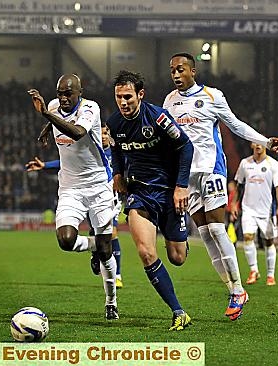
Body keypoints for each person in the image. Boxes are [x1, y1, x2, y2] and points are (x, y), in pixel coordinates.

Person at [163, 52, 278, 320]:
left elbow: (236, 124)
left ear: (193, 71)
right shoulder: (169, 101)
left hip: (212, 171)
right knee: (206, 235)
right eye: (172, 70)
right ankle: (233, 288)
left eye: (181, 69)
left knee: (218, 229)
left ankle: (238, 290)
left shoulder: (212, 96)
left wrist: (265, 142)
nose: (175, 74)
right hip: (188, 177)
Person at [107, 70, 194, 331]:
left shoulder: (158, 117)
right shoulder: (114, 123)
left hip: (168, 192)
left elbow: (186, 146)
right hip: (140, 194)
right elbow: (116, 149)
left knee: (177, 258)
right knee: (146, 252)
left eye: (128, 97)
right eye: (118, 97)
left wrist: (181, 186)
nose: (123, 102)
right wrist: (118, 173)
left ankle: (180, 241)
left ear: (140, 95)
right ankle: (178, 312)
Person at [27, 74, 118, 320]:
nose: (64, 98)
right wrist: (47, 127)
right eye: (60, 94)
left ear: (80, 92)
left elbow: (77, 132)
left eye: (69, 94)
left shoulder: (91, 108)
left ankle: (111, 301)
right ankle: (93, 247)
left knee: (107, 251)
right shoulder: (56, 107)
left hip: (99, 186)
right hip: (70, 187)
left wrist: (46, 116)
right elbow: (57, 116)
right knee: (66, 241)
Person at [27, 122, 125, 289]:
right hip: (89, 195)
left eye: (105, 134)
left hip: (109, 196)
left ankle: (117, 275)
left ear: (109, 135)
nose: (102, 137)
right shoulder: (91, 151)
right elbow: (67, 163)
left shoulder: (116, 153)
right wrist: (45, 166)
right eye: (100, 134)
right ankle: (96, 251)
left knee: (112, 233)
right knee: (98, 234)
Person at [231, 143, 278, 285]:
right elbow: (239, 184)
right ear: (251, 145)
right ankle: (253, 270)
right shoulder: (245, 163)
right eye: (255, 142)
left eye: (261, 143)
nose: (258, 145)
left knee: (268, 241)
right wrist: (233, 204)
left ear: (266, 146)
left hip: (267, 210)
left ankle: (270, 274)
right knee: (248, 237)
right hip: (248, 208)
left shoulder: (273, 164)